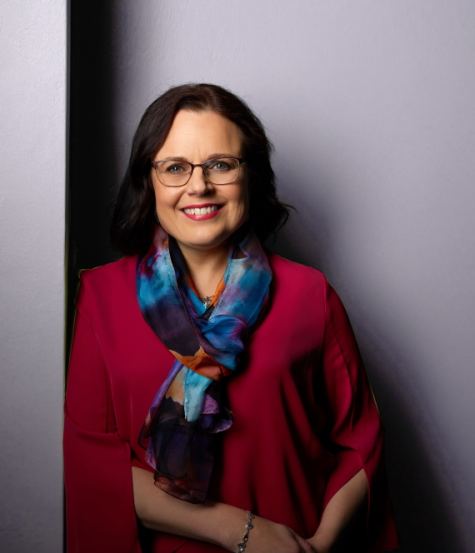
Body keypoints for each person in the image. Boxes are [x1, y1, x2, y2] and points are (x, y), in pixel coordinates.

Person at [64, 83, 398, 553]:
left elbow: (361, 443)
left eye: (220, 165)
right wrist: (242, 531)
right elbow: (89, 462)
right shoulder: (100, 296)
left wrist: (317, 547)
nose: (198, 186)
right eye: (175, 168)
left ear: (250, 175)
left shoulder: (310, 294)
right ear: (148, 181)